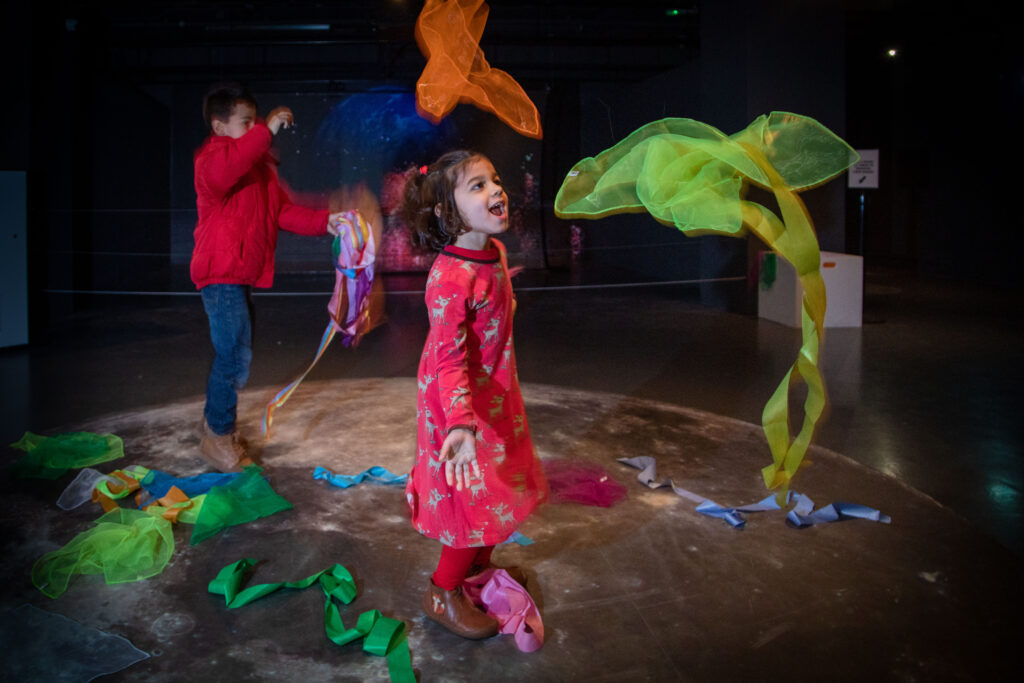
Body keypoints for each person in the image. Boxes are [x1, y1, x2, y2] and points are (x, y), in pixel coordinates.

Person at [400, 150, 548, 639]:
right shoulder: (448, 276)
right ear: (447, 213)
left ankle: (476, 574)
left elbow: (493, 303)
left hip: (492, 392)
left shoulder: (495, 255)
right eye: (478, 186)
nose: (497, 191)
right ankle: (442, 591)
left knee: (498, 488)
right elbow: (447, 358)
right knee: (471, 500)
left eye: (496, 180)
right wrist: (460, 424)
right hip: (457, 404)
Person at [191, 82, 343, 472]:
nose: (256, 128)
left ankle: (215, 424)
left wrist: (327, 222)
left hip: (239, 275)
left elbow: (282, 212)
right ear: (219, 125)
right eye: (247, 122)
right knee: (232, 355)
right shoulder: (212, 159)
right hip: (220, 273)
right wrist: (266, 130)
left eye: (256, 122)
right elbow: (229, 169)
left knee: (237, 354)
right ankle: (218, 435)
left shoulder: (258, 171)